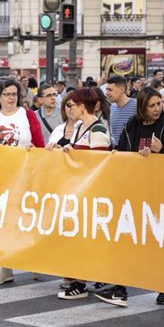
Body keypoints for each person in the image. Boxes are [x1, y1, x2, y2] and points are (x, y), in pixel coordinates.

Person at [95, 86, 164, 307]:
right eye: (151, 105)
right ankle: (120, 289)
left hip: (160, 192)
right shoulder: (131, 125)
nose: (156, 109)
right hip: (134, 190)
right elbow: (123, 152)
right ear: (142, 107)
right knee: (127, 240)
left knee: (157, 241)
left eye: (159, 104)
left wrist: (161, 152)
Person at [0, 77, 45, 286]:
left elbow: (40, 145)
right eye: (7, 94)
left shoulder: (28, 116)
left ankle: (35, 260)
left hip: (26, 176)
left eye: (14, 94)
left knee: (28, 220)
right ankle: (5, 268)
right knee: (3, 223)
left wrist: (35, 153)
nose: (11, 98)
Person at [46, 87, 110, 299]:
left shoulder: (98, 129)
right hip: (79, 190)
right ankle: (80, 280)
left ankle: (87, 281)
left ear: (83, 107)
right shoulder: (82, 126)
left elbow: (98, 162)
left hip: (92, 191)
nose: (69, 109)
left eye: (72, 105)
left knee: (89, 238)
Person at [106, 76, 136, 147]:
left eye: (110, 90)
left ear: (122, 90)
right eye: (106, 89)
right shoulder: (111, 108)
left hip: (132, 153)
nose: (107, 93)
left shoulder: (137, 105)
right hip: (115, 152)